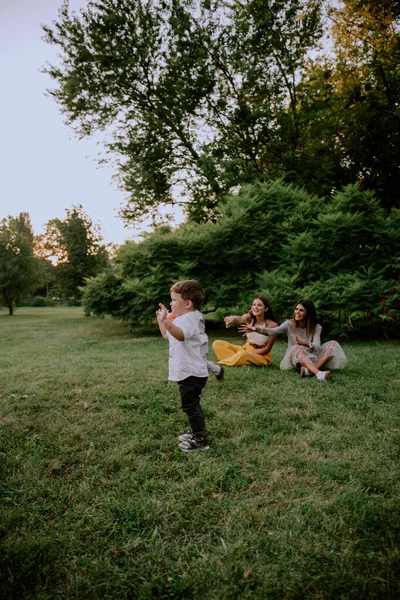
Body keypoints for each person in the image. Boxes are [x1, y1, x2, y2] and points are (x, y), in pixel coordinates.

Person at [156, 279, 210, 453]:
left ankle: (200, 439)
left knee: (190, 406)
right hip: (188, 372)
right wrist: (161, 320)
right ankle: (197, 432)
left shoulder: (191, 319)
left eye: (173, 300)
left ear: (187, 303)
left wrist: (168, 322)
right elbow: (167, 336)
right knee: (190, 405)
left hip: (192, 373)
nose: (171, 303)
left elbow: (179, 335)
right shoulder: (182, 319)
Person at [240, 298, 347, 381]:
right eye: (296, 309)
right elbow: (273, 331)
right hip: (295, 356)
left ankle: (310, 370)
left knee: (333, 343)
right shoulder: (289, 324)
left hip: (313, 355)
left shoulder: (316, 327)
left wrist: (305, 343)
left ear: (308, 313)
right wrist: (256, 329)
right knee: (296, 347)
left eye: (301, 310)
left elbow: (317, 347)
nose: (297, 312)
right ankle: (319, 373)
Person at [212, 296, 278, 367]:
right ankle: (239, 361)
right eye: (254, 305)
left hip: (261, 355)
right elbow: (240, 319)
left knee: (242, 354)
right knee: (217, 344)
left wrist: (250, 354)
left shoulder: (273, 325)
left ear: (266, 309)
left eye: (259, 305)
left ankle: (220, 363)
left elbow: (267, 349)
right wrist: (233, 318)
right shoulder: (249, 318)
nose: (255, 307)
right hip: (246, 349)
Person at [168, 312, 224, 382]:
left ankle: (216, 370)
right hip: (189, 343)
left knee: (199, 361)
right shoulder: (184, 315)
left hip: (199, 343)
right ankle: (217, 370)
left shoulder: (194, 316)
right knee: (194, 361)